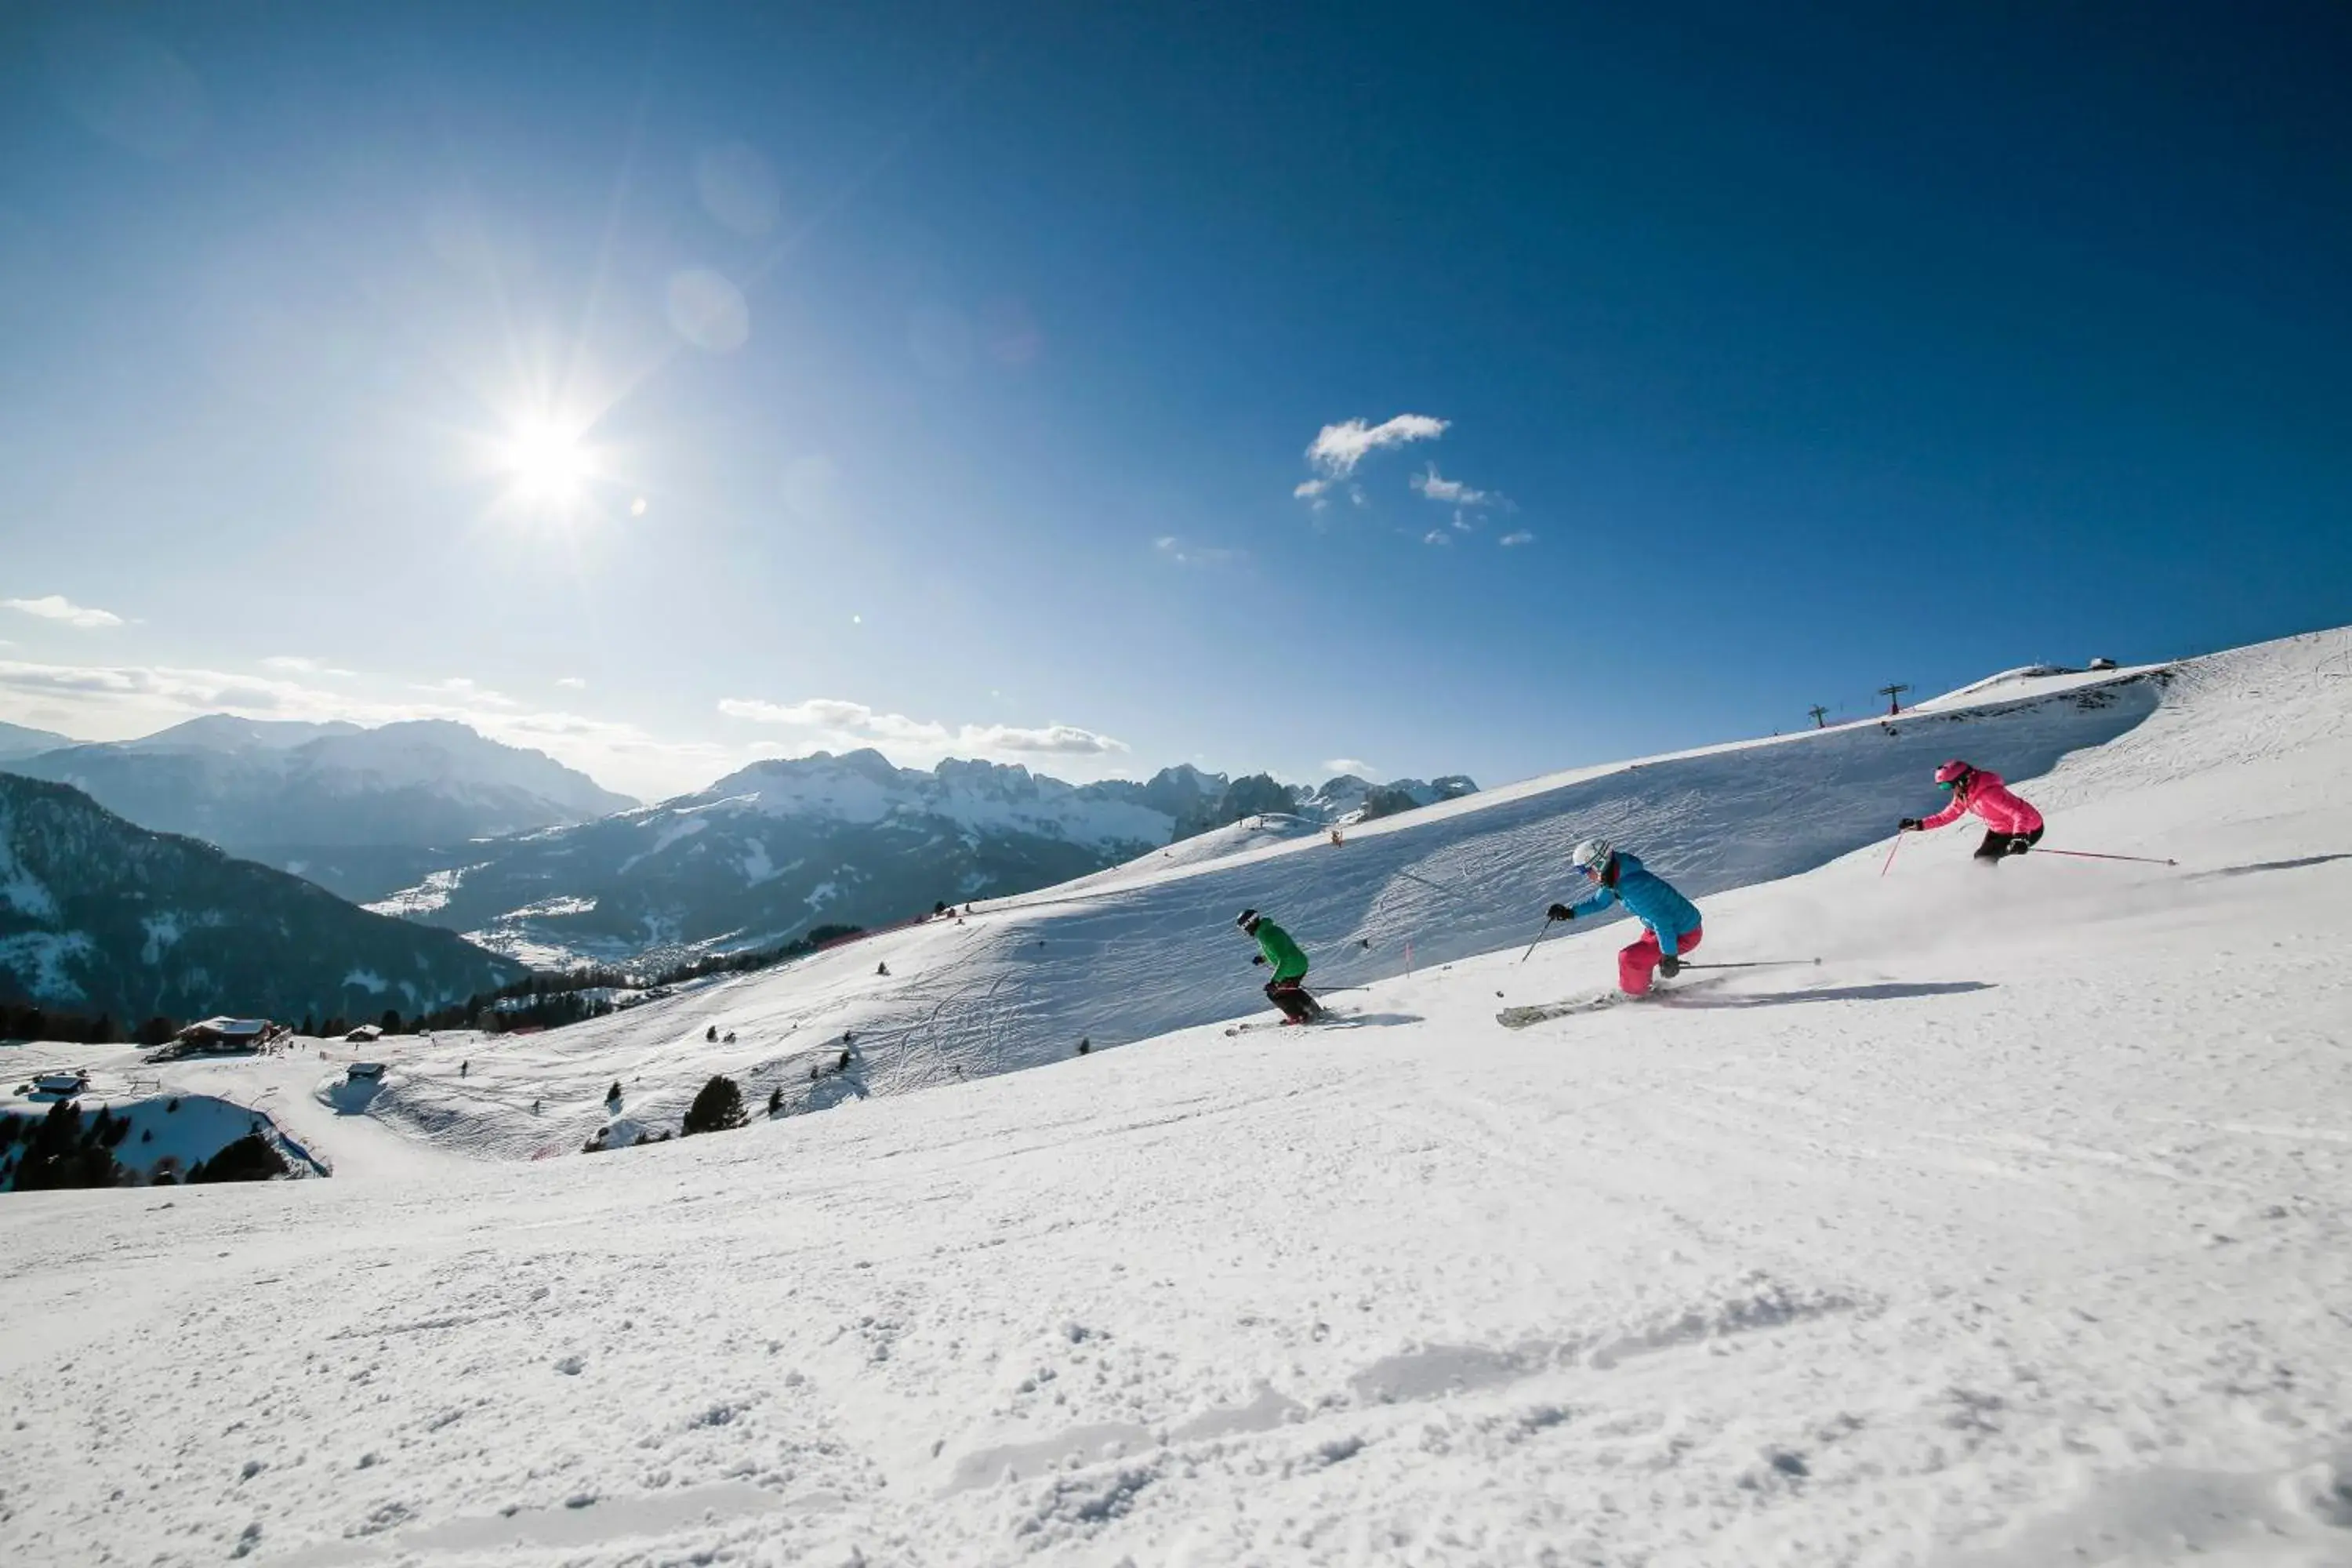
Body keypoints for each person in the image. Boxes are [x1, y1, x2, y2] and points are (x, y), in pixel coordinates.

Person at [1545, 836, 1703, 996]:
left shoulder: (1631, 885)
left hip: (1684, 933)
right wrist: (1570, 912)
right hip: (1661, 929)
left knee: (1629, 959)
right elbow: (1600, 903)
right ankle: (1641, 985)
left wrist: (1669, 956)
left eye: (1587, 871)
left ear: (1599, 863)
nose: (1588, 877)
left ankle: (1635, 994)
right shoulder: (1616, 874)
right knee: (1637, 958)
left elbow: (1662, 920)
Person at [1900, 760, 2045, 862]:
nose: (1949, 790)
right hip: (2001, 828)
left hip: (2028, 829)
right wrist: (1919, 824)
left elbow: (2019, 813)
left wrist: (2020, 837)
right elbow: (1947, 816)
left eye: (1947, 786)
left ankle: (1995, 896)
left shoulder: (1989, 793)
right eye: (1943, 787)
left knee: (1983, 860)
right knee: (1982, 860)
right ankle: (1992, 892)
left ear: (1963, 780)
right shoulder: (1965, 795)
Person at [1237, 909, 1323, 1023]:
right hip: (1298, 963)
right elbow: (1281, 951)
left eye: (1245, 928)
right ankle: (1314, 1011)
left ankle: (1299, 1017)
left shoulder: (1267, 936)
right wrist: (1263, 958)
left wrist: (1274, 982)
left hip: (1292, 968)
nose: (1246, 933)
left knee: (1275, 993)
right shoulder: (1268, 931)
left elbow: (1284, 959)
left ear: (1250, 924)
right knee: (1290, 990)